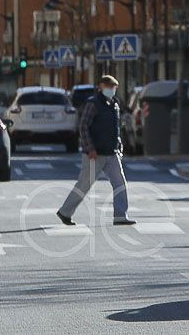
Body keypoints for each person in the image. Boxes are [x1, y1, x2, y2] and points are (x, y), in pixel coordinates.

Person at [57, 75, 135, 226]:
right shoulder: (93, 104)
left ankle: (120, 215)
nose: (111, 90)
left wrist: (119, 147)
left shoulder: (115, 105)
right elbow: (83, 126)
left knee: (120, 183)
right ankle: (65, 212)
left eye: (113, 87)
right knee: (84, 184)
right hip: (95, 154)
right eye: (108, 87)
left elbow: (116, 129)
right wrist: (90, 148)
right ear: (101, 87)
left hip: (111, 153)